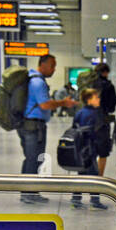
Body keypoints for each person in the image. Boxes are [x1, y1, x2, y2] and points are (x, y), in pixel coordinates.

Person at [18, 53, 75, 204]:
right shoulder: (38, 83)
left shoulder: (34, 80)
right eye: (52, 66)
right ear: (42, 64)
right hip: (33, 127)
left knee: (33, 159)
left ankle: (30, 191)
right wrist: (63, 102)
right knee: (33, 159)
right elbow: (45, 104)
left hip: (31, 125)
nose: (54, 69)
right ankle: (28, 193)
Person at [70, 87, 108, 210]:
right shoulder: (96, 114)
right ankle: (95, 202)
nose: (99, 100)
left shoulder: (79, 112)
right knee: (94, 175)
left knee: (80, 174)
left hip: (80, 149)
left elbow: (74, 128)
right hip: (91, 149)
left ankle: (75, 200)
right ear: (89, 100)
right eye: (96, 97)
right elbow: (99, 133)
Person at [91, 62, 116, 176]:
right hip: (102, 121)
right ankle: (99, 177)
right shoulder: (109, 86)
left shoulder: (89, 85)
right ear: (105, 72)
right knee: (102, 152)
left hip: (87, 119)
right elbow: (112, 107)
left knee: (88, 149)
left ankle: (87, 175)